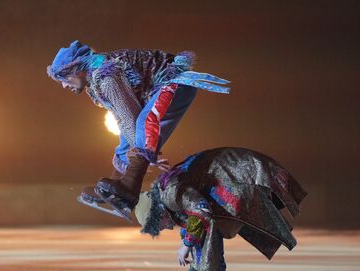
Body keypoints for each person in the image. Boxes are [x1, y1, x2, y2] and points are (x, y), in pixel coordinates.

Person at [47, 40, 230, 216]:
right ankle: (116, 187)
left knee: (142, 124)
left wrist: (148, 153)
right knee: (126, 136)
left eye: (64, 78)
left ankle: (129, 189)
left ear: (77, 70)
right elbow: (121, 119)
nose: (64, 85)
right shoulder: (95, 80)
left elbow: (129, 117)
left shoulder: (105, 76)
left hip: (175, 84)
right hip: (157, 90)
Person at [134, 147, 307, 271]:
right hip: (232, 180)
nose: (165, 228)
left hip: (240, 179)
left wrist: (186, 245)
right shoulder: (168, 194)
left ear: (158, 213)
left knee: (203, 230)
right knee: (200, 229)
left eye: (159, 226)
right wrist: (187, 241)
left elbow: (200, 209)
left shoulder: (170, 192)